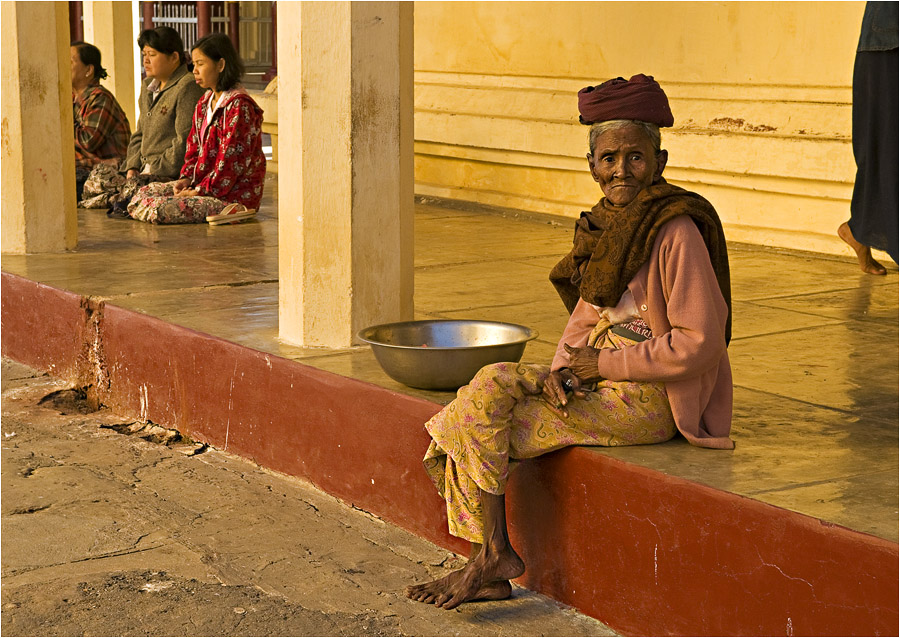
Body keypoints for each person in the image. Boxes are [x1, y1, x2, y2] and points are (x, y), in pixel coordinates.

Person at [406, 74, 734, 610]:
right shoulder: (606, 227)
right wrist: (562, 372)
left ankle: (489, 557)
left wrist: (600, 365)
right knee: (484, 396)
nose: (621, 170)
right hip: (599, 382)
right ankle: (491, 557)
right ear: (591, 166)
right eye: (609, 159)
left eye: (635, 157)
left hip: (652, 399)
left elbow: (702, 344)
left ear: (660, 161)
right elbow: (584, 318)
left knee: (469, 419)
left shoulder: (676, 230)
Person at [127, 32, 266, 225]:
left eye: (201, 64)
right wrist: (185, 179)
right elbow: (192, 148)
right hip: (201, 185)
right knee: (143, 193)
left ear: (221, 65)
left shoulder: (239, 106)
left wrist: (199, 191)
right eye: (194, 64)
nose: (194, 70)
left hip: (229, 195)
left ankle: (237, 211)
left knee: (158, 208)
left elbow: (230, 163)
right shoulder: (204, 101)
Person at [80, 27, 205, 210]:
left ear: (173, 57)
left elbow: (184, 141)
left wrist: (151, 169)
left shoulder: (186, 86)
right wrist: (132, 167)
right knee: (95, 179)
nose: (145, 60)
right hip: (142, 172)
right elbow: (139, 134)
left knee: (124, 193)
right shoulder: (148, 86)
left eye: (152, 54)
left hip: (168, 174)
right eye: (144, 54)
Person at [838, 1, 898, 275]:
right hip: (888, 47)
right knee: (886, 148)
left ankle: (859, 229)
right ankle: (860, 229)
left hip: (886, 44)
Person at [71, 42, 130, 199]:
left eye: (70, 61)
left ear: (89, 70)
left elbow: (88, 141)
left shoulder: (100, 98)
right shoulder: (71, 98)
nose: (63, 65)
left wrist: (61, 122)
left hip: (103, 175)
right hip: (86, 170)